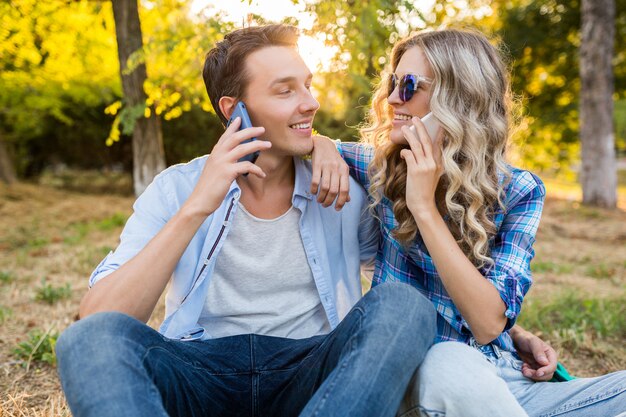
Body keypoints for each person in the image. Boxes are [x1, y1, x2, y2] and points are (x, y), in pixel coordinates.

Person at [55, 24, 438, 417]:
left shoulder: (339, 185)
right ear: (232, 108)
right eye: (285, 90)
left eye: (307, 85)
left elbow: (408, 274)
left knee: (405, 305)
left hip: (313, 374)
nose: (310, 103)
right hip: (199, 372)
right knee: (87, 340)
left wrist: (323, 143)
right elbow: (99, 318)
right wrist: (198, 206)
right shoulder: (176, 190)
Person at [311, 28, 626, 416]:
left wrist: (424, 208)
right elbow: (296, 138)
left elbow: (489, 324)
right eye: (393, 82)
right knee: (448, 363)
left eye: (409, 85)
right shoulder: (380, 168)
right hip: (431, 380)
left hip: (504, 379)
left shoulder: (520, 190)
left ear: (459, 99)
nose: (393, 98)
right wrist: (322, 144)